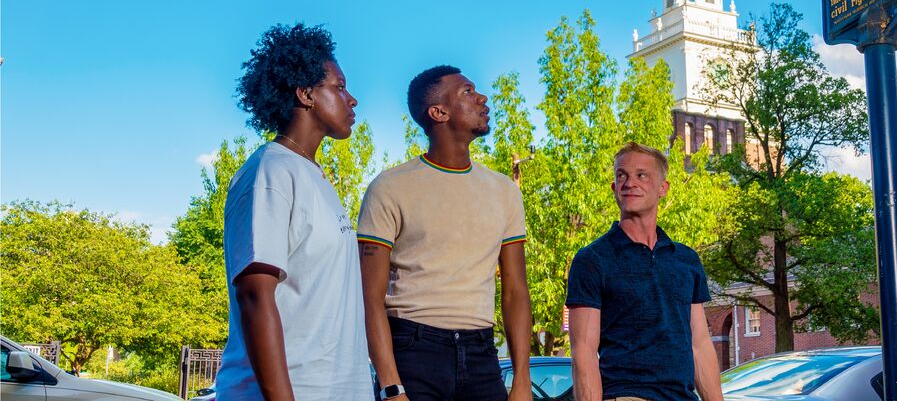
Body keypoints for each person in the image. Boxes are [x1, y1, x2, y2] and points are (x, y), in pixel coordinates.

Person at [217, 23, 373, 401]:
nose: (352, 99)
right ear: (305, 94)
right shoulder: (270, 171)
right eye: (338, 87)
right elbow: (254, 294)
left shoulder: (311, 174)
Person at [357, 65, 532, 401]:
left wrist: (522, 381)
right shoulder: (389, 188)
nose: (482, 98)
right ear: (438, 112)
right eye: (467, 92)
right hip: (413, 353)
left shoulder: (504, 191)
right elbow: (369, 298)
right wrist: (391, 386)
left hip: (482, 354)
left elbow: (515, 292)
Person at [566, 142, 724, 401]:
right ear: (614, 188)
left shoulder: (686, 260)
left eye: (641, 175)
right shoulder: (592, 259)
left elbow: (699, 345)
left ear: (663, 188)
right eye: (622, 175)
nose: (630, 182)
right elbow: (583, 353)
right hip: (627, 394)